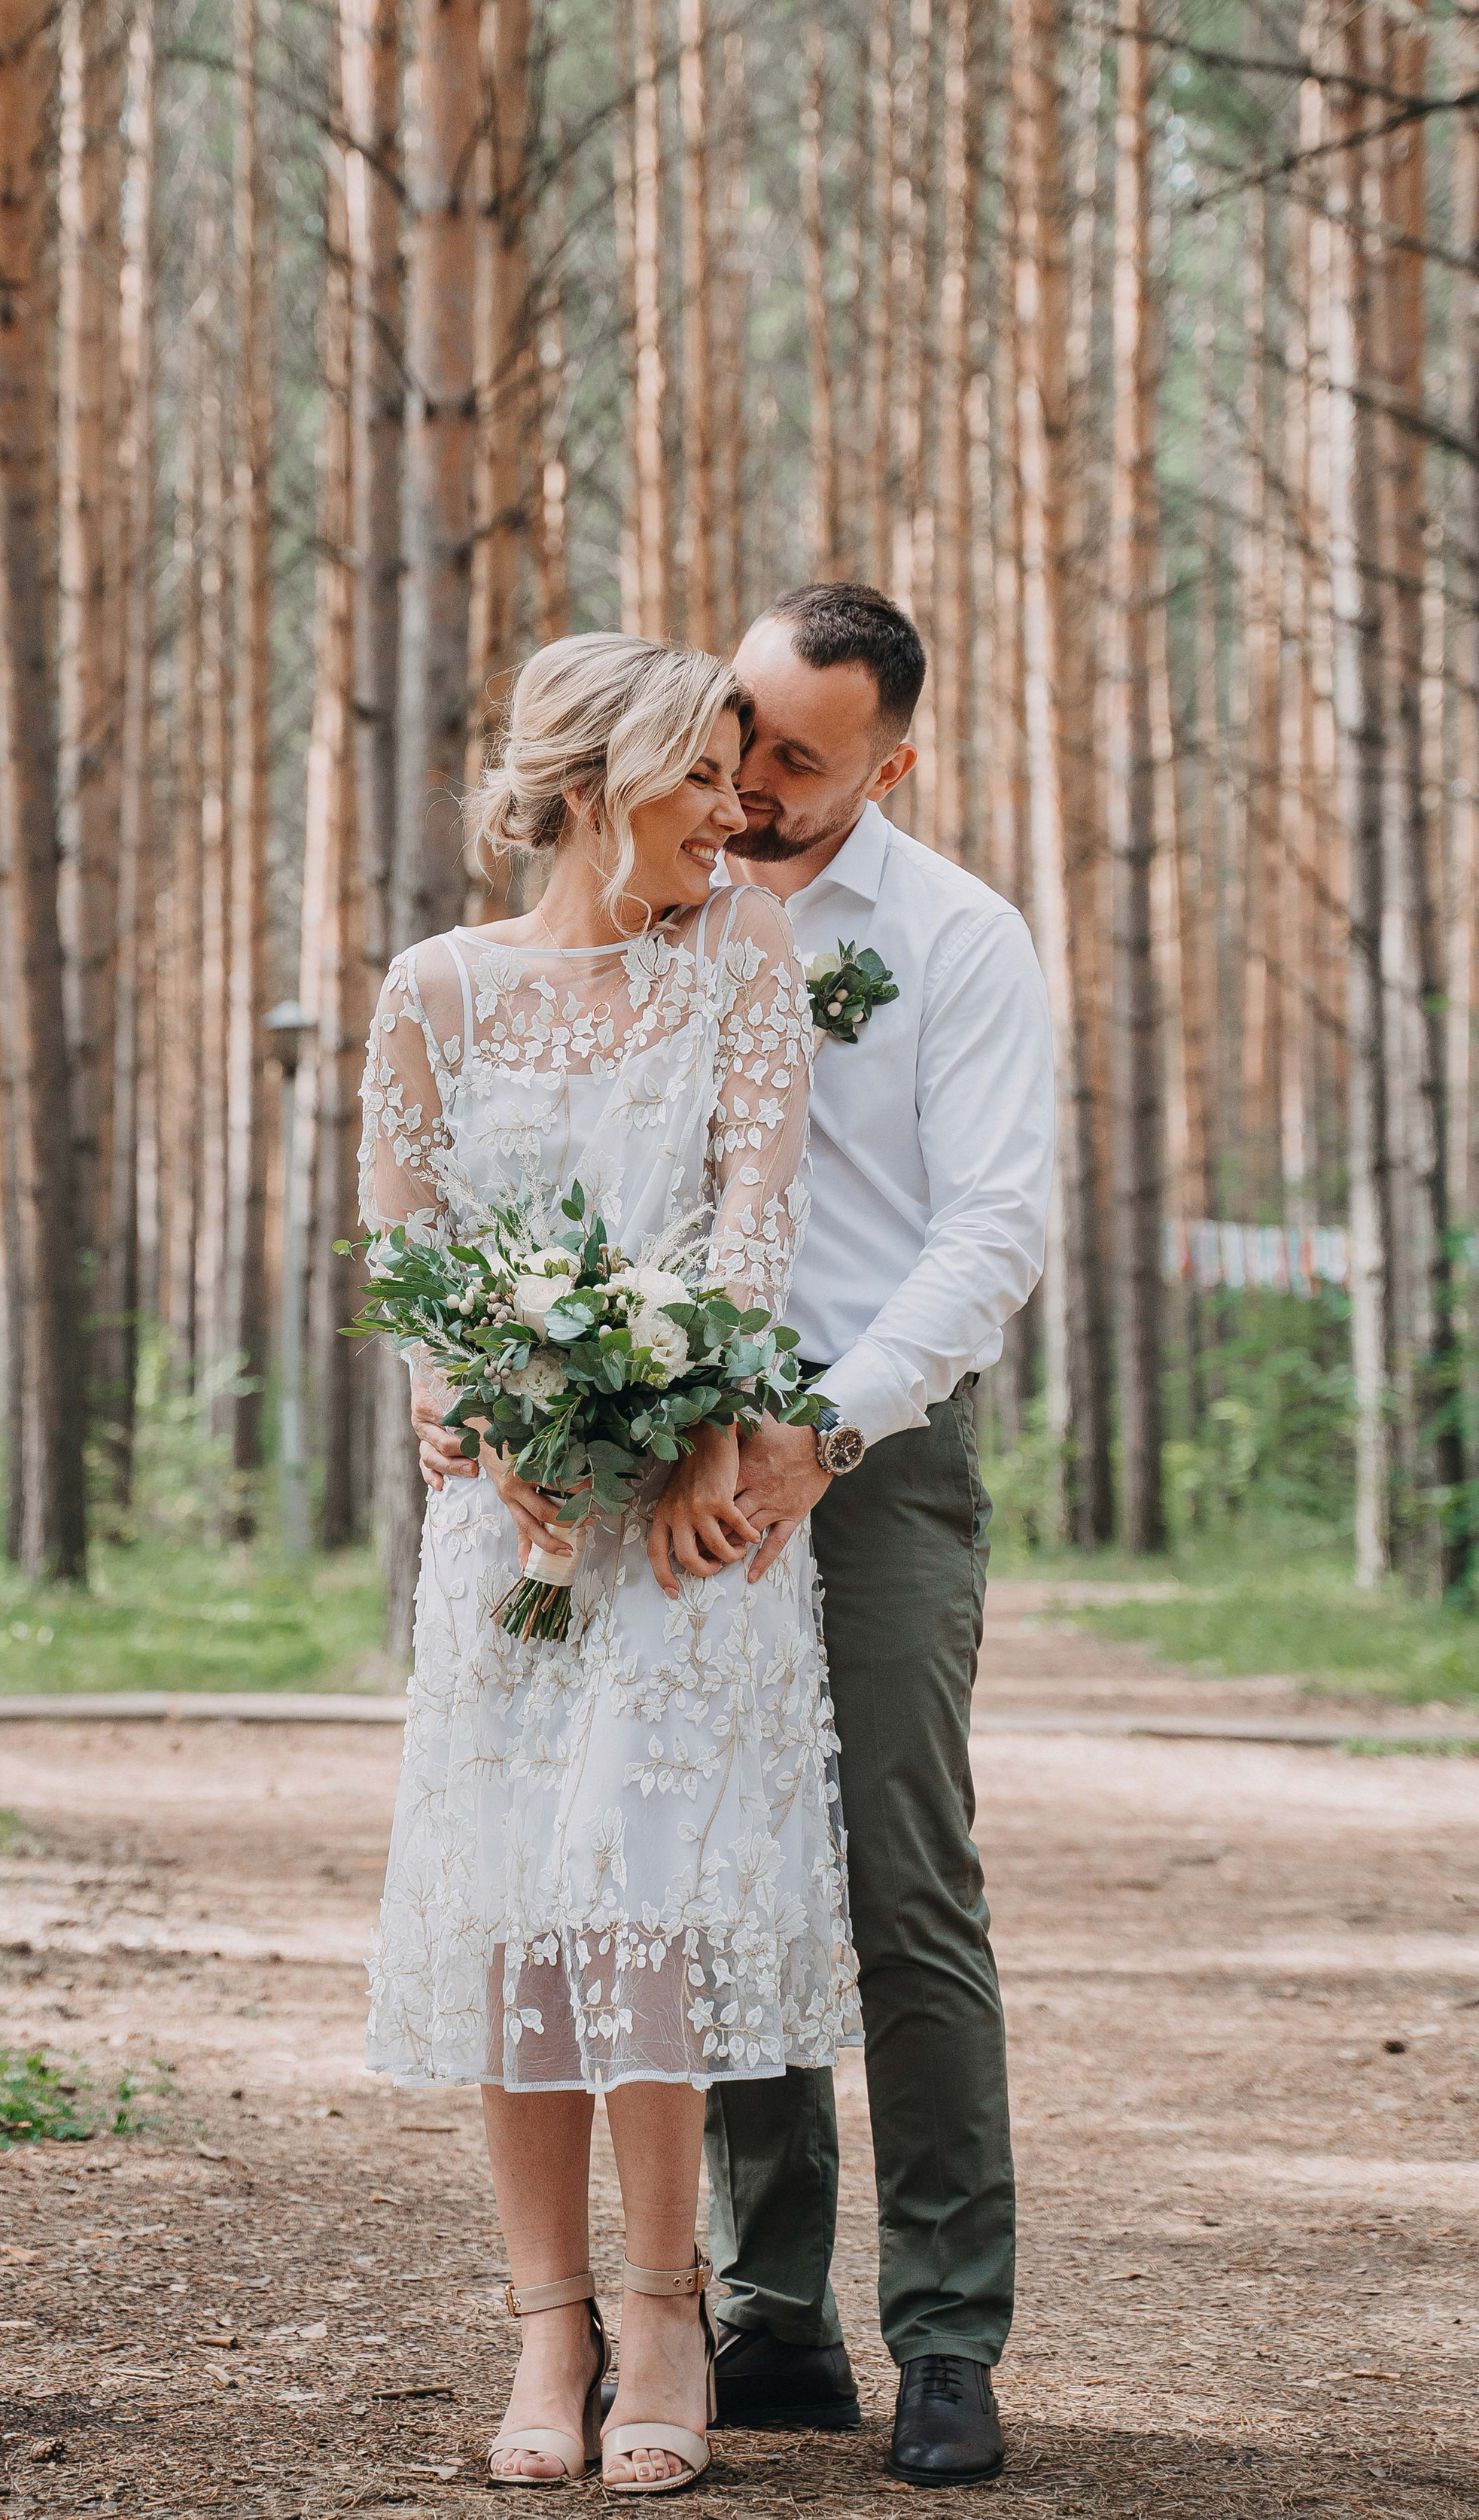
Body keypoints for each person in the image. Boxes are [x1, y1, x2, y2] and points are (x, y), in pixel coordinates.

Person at [418, 586, 1054, 2490]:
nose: (754, 786)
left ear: (887, 764)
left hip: (858, 1446)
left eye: (795, 758)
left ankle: (943, 2327)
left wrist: (811, 1430)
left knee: (894, 1879)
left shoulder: (952, 939)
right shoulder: (653, 894)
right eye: (734, 743)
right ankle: (768, 2311)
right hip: (633, 1464)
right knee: (697, 1868)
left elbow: (987, 1230)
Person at [361, 632, 863, 2496]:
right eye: (704, 782)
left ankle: (666, 2310)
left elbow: (753, 1216)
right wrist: (462, 1422)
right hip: (512, 1535)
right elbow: (408, 1259)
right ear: (600, 782)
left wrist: (693, 1428)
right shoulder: (434, 992)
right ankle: (542, 2322)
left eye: (749, 783)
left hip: (682, 1523)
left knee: (636, 1907)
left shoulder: (740, 954)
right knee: (515, 1913)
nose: (737, 816)